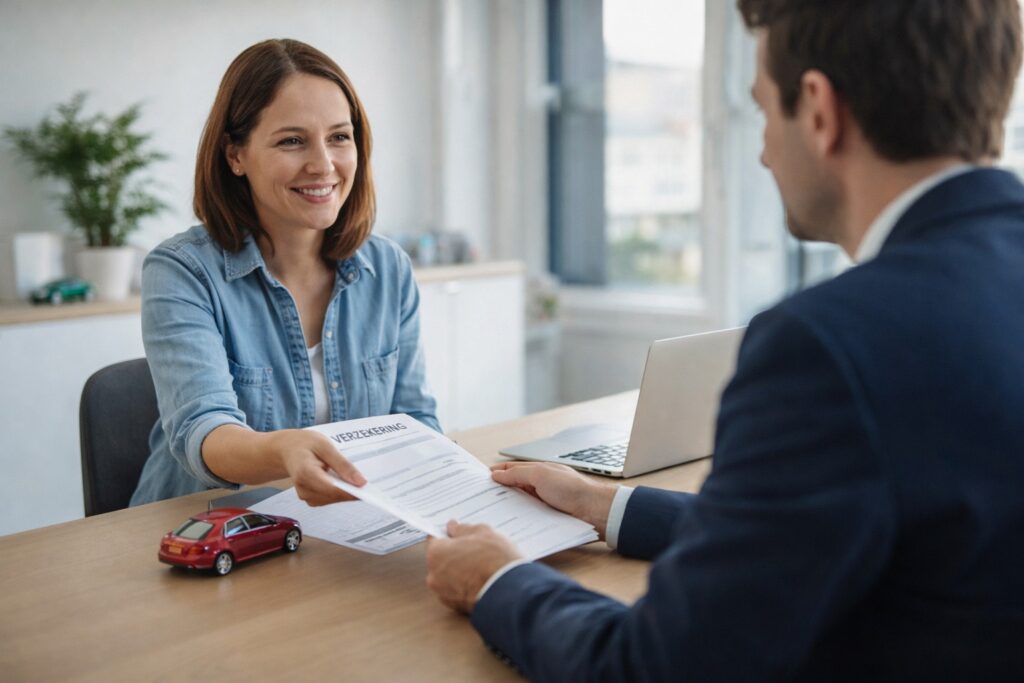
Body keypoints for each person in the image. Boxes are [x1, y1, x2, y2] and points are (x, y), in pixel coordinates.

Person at [425, 1, 1024, 680]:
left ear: (820, 111)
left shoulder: (824, 347)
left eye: (764, 110)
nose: (764, 150)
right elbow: (832, 524)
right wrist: (606, 504)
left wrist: (498, 580)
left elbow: (652, 668)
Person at [131, 39, 439, 507]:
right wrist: (286, 450)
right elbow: (204, 431)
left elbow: (415, 418)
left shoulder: (388, 268)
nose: (323, 165)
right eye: (292, 141)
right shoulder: (181, 271)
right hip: (208, 534)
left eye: (339, 136)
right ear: (235, 156)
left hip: (341, 535)